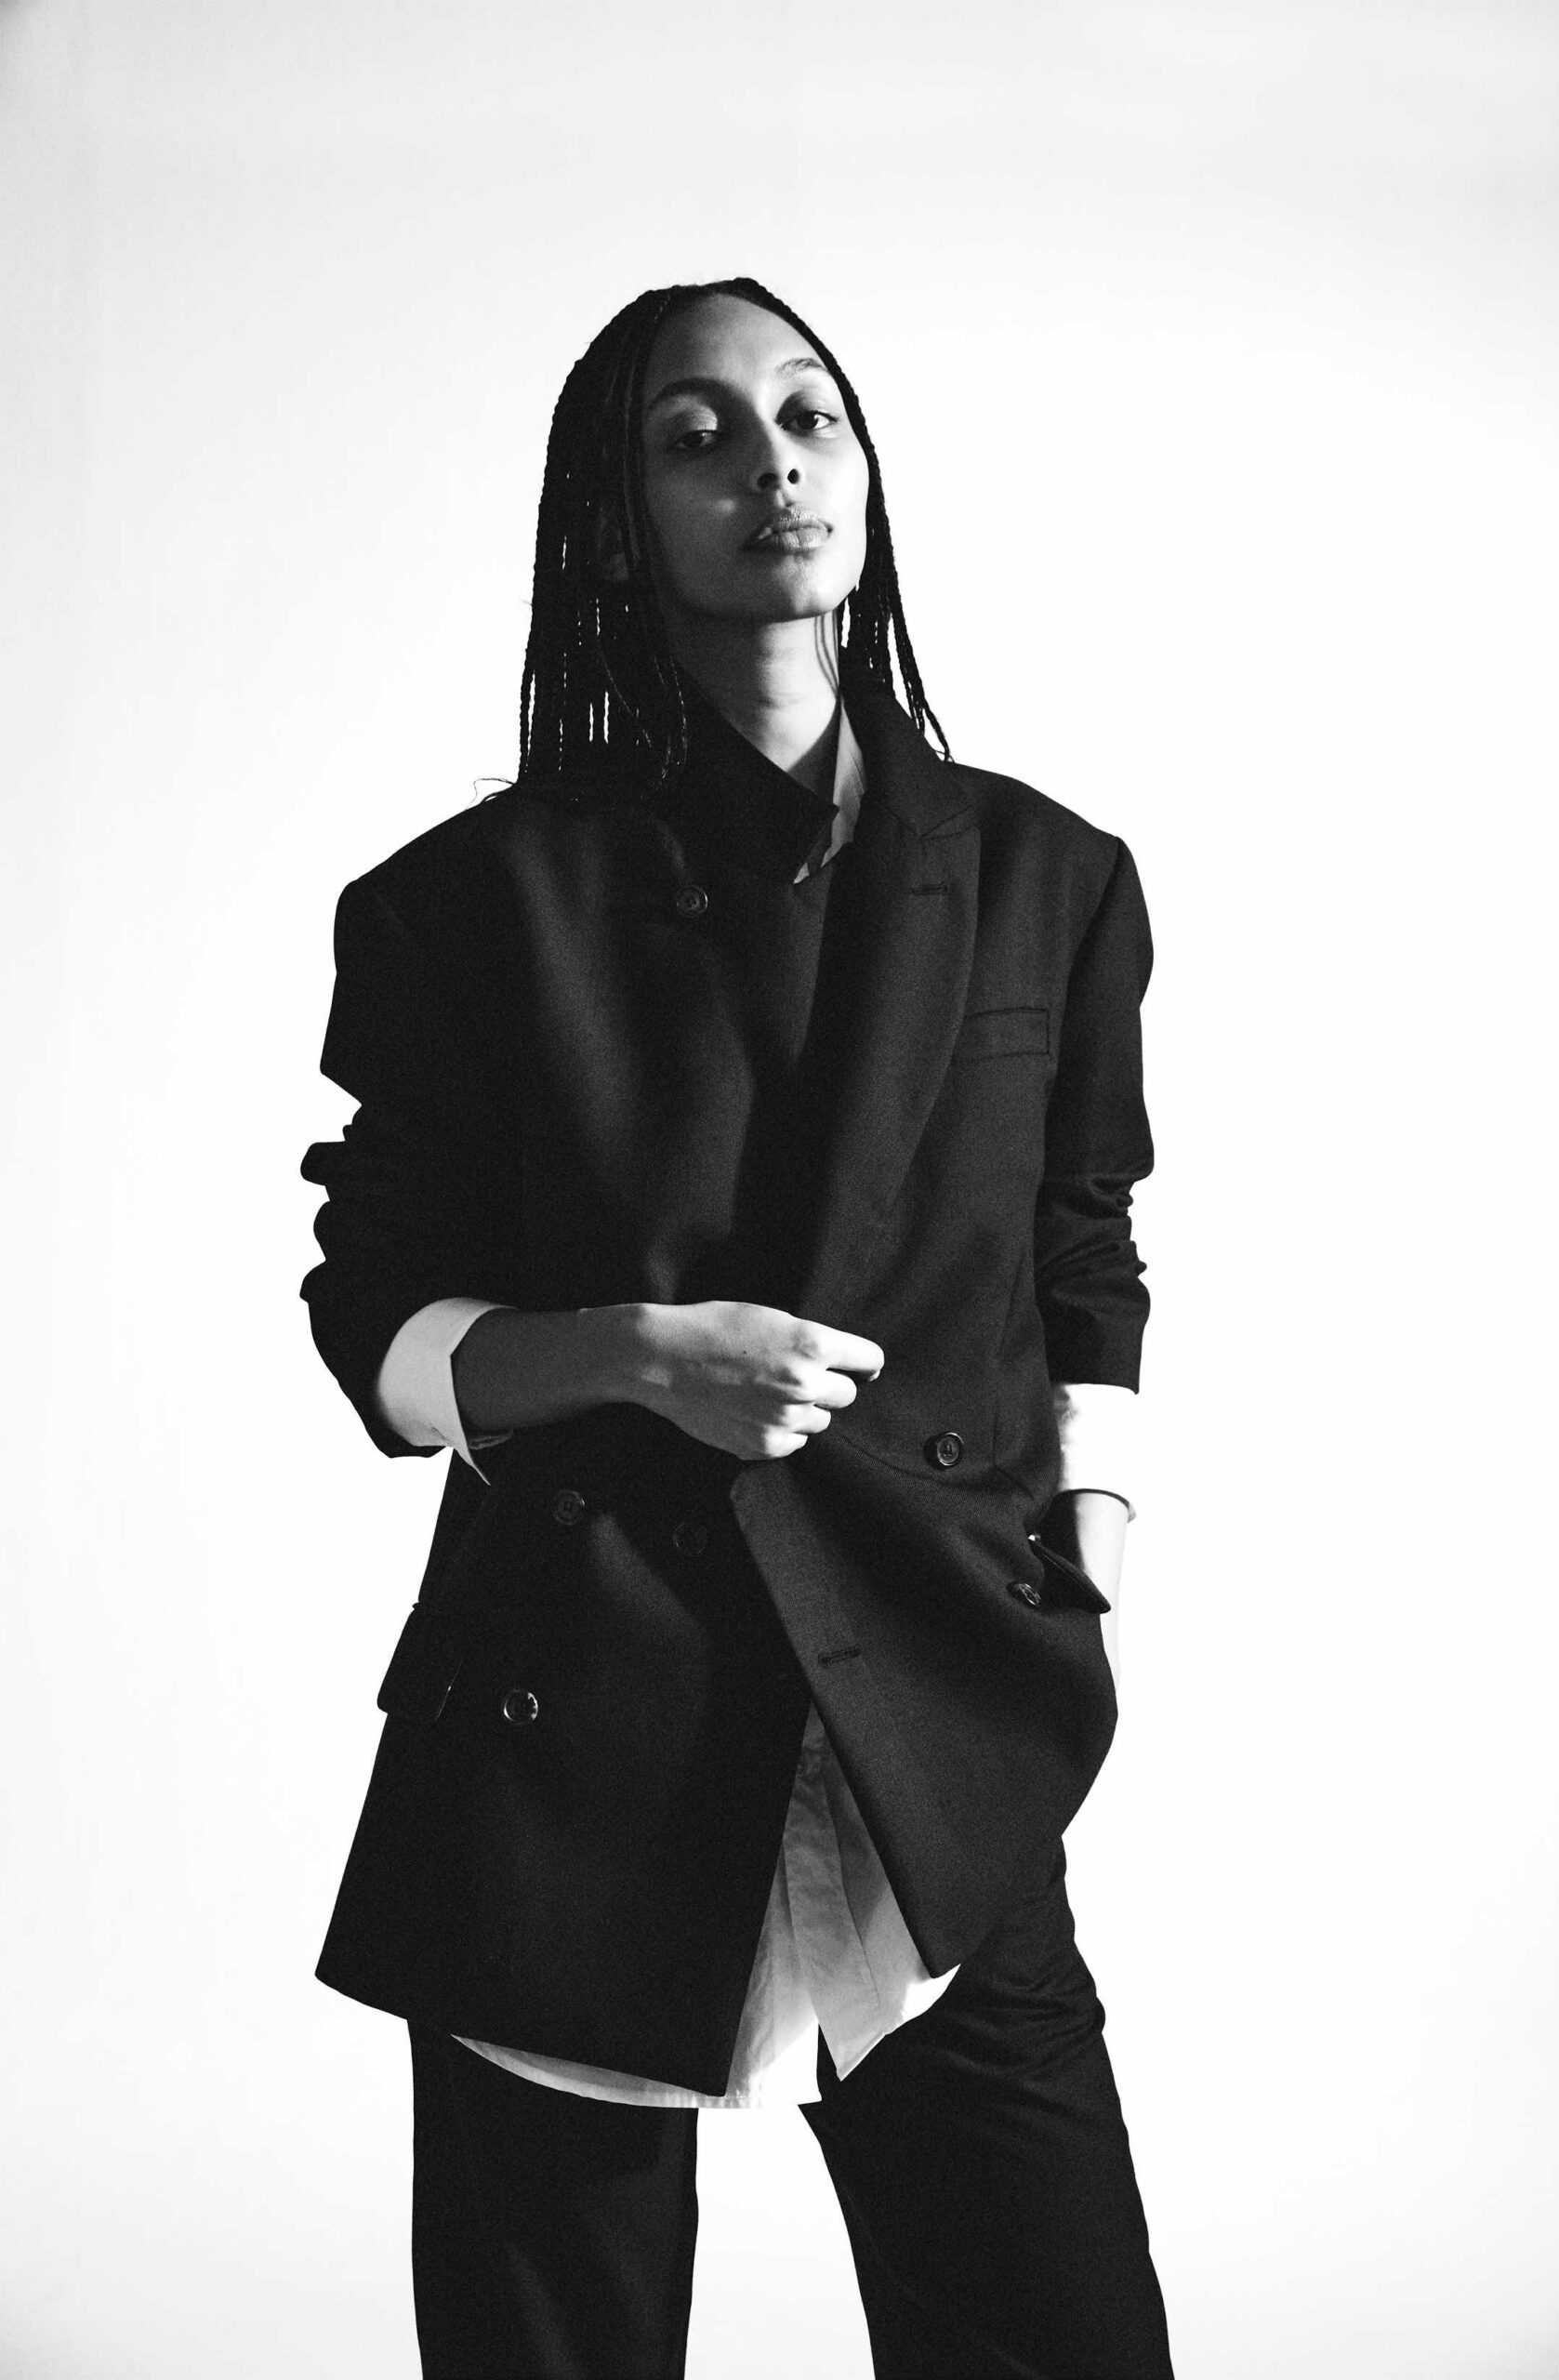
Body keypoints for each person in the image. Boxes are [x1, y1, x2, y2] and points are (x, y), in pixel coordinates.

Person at [301, 274, 1173, 2380]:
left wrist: (1091, 1520)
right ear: (616, 516)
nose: (769, 464)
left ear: (863, 470)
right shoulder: (464, 905)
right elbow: (376, 1305)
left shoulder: (1053, 876)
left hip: (933, 1706)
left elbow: (1083, 1227)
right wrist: (628, 1350)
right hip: (569, 1720)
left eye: (806, 415)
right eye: (693, 434)